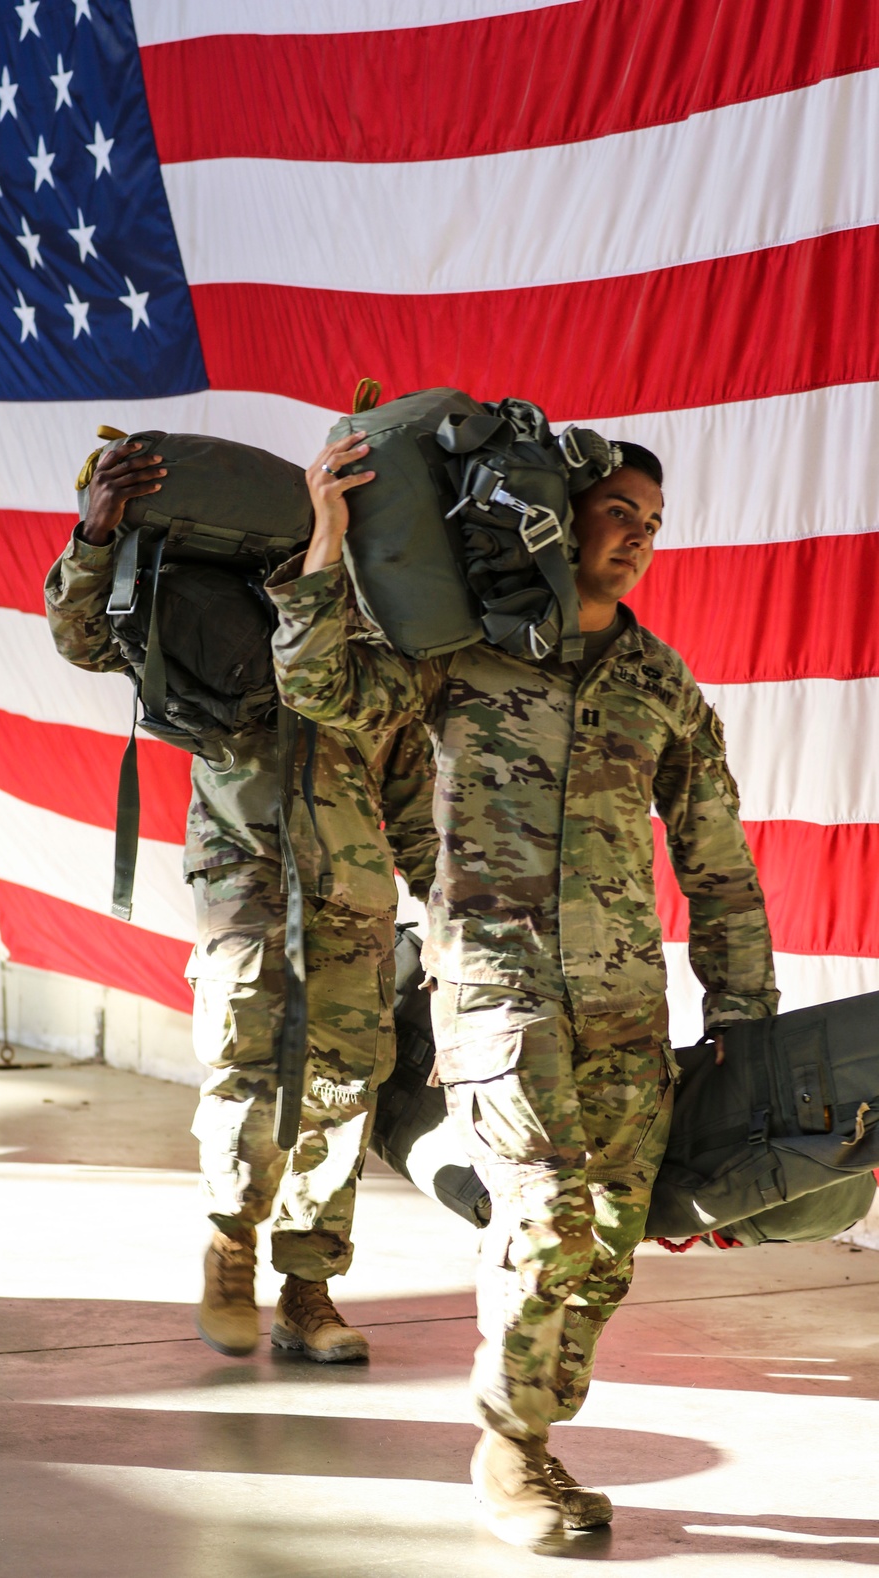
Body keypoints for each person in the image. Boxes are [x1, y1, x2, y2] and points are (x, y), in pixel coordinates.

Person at [265, 427, 778, 1542]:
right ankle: (508, 1449)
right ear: (560, 516)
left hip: (626, 1007)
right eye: (617, 514)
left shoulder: (657, 682)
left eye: (652, 525)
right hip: (498, 994)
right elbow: (318, 686)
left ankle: (531, 1440)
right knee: (545, 1217)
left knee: (603, 1243)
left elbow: (716, 857)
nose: (637, 539)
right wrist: (326, 537)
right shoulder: (465, 656)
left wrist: (745, 1011)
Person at [45, 440, 436, 1364]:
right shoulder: (220, 609)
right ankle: (231, 1244)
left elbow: (414, 795)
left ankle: (309, 1290)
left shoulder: (386, 653)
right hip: (246, 885)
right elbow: (83, 637)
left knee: (342, 1092)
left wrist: (444, 909)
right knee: (247, 1073)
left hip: (355, 896)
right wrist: (98, 529)